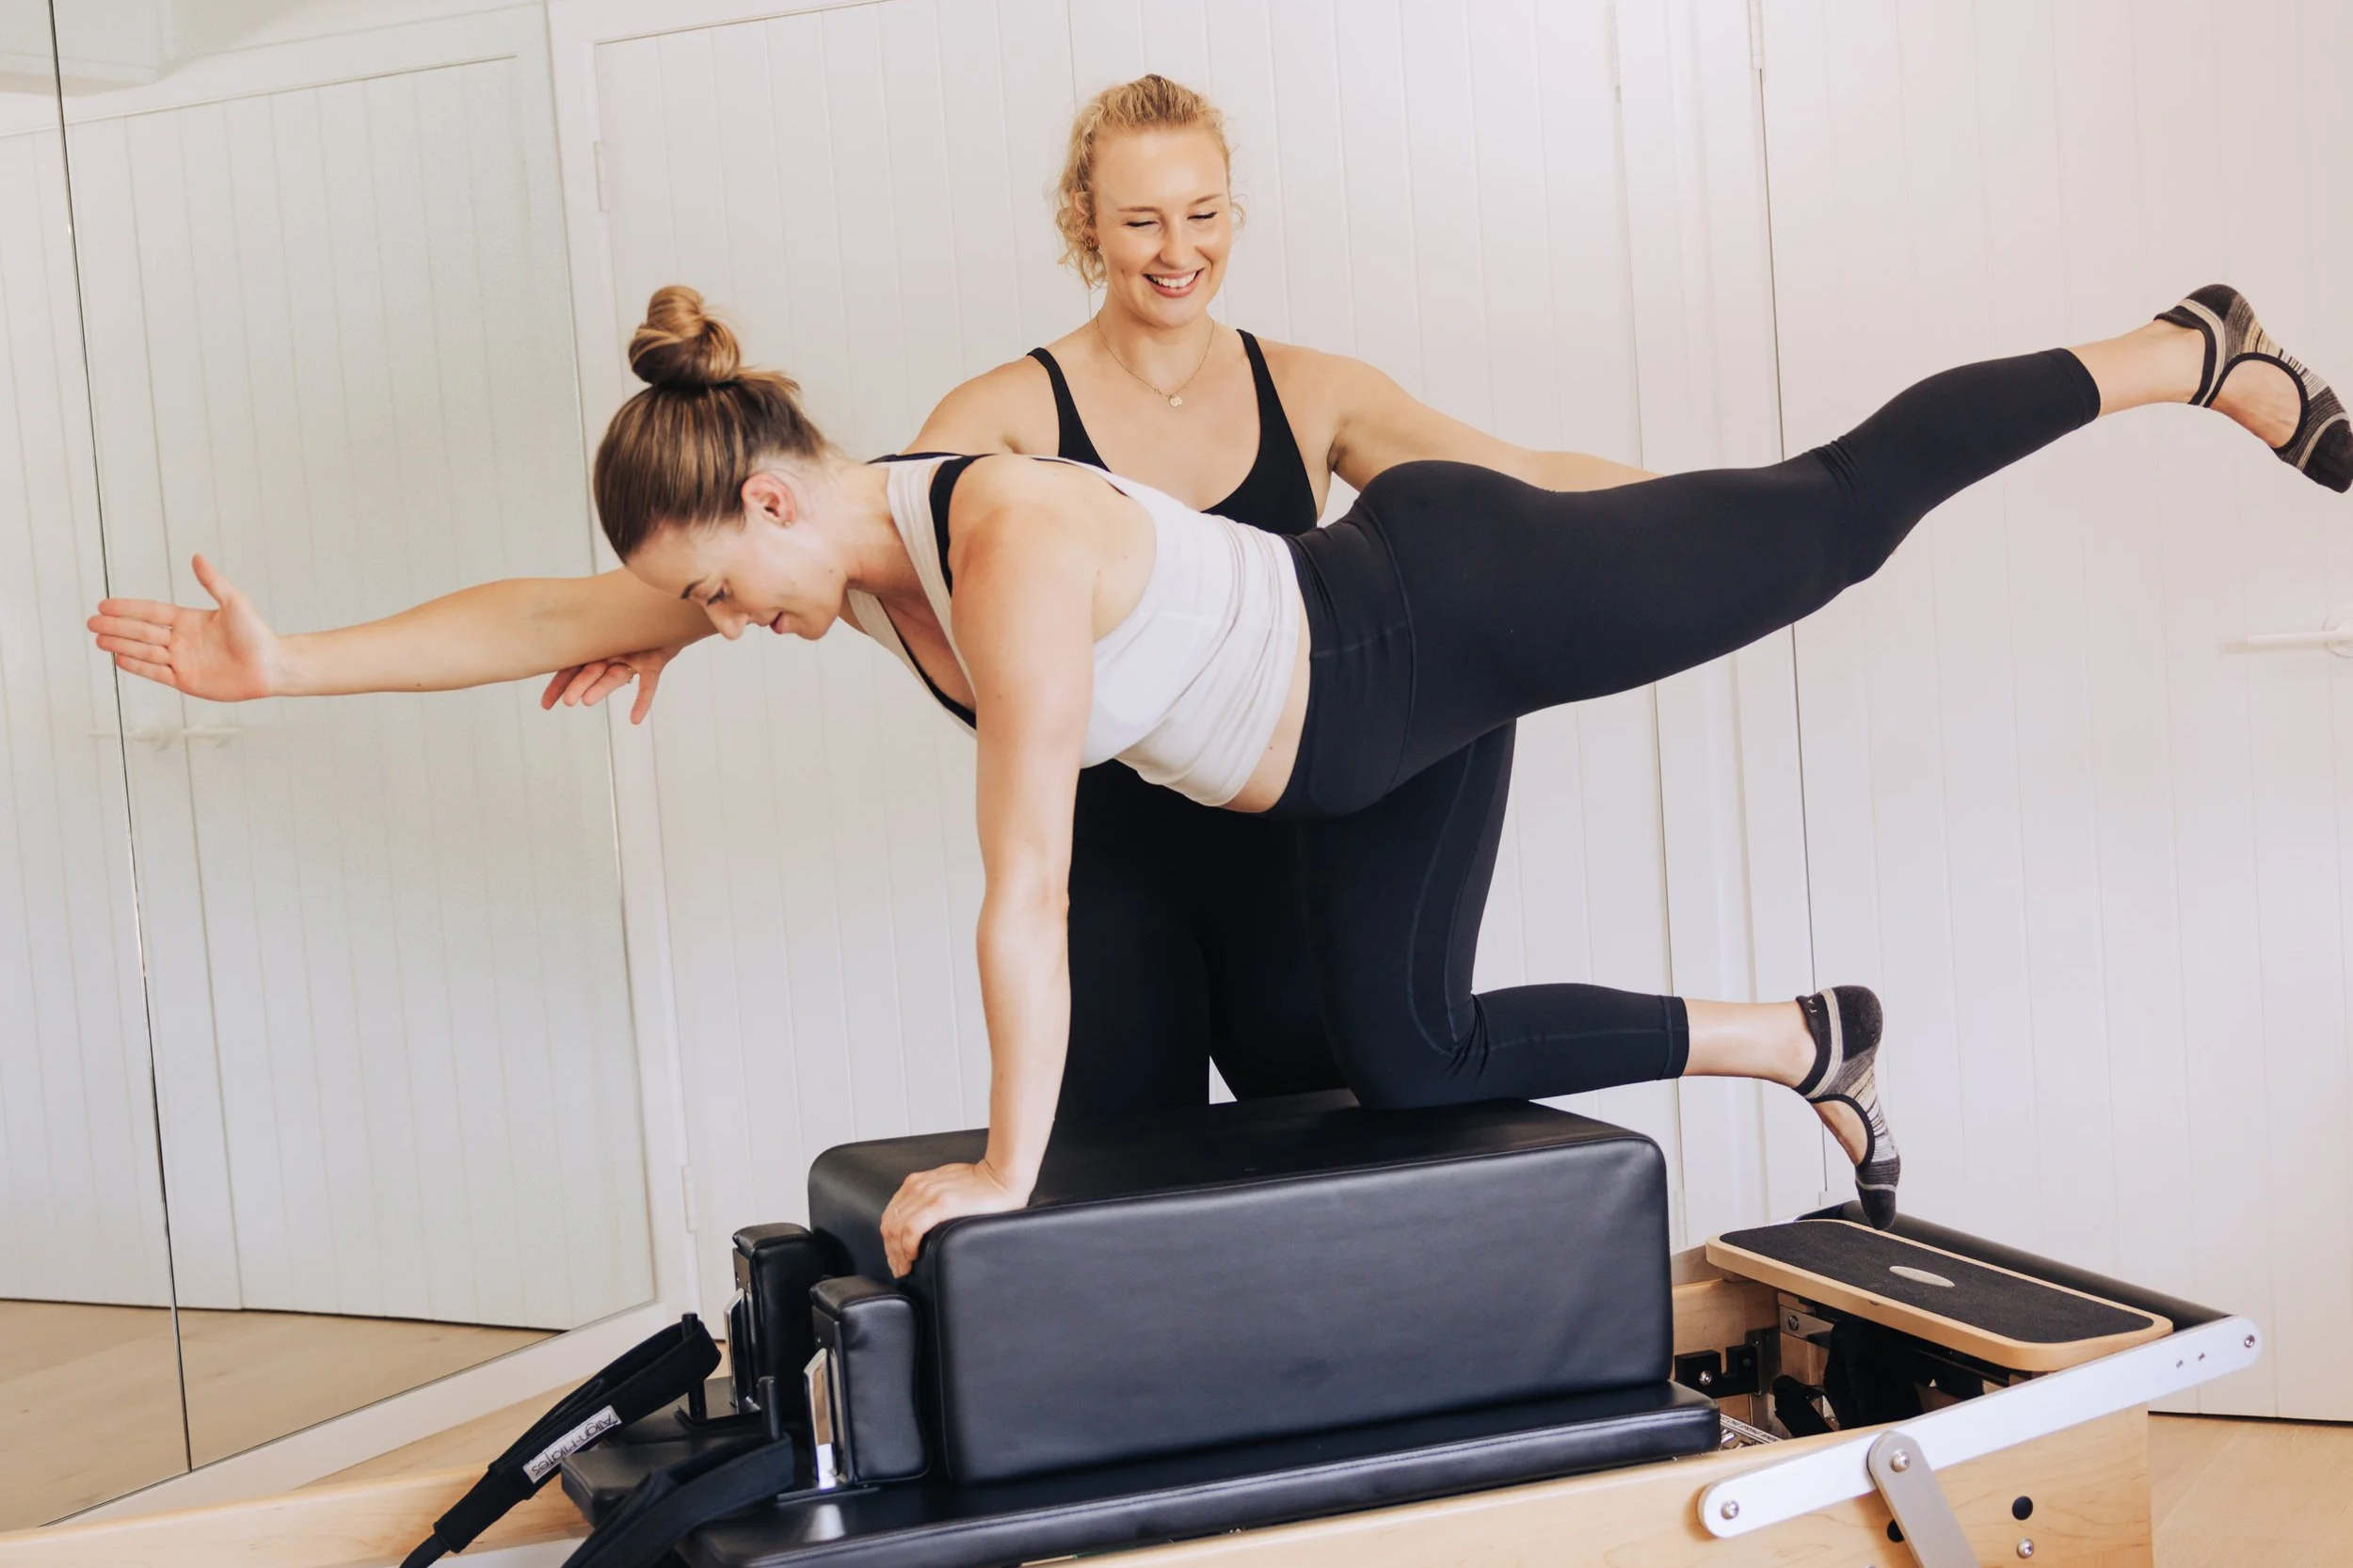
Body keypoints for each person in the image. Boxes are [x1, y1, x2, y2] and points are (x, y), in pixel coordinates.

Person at [98, 273, 2343, 1272]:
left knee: (1828, 510)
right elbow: (540, 611)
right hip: (1345, 767)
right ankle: (1799, 1039)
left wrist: (1001, 1160)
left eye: (719, 594)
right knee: (1394, 1048)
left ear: (778, 504)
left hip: (1432, 626)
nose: (717, 632)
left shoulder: (1012, 537)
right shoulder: (814, 545)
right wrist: (285, 671)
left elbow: (1023, 884)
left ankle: (2187, 350)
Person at [536, 74, 1653, 1124]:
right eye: (1141, 222)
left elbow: (1521, 481)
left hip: (1294, 854)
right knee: (1119, 1197)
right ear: (1084, 222)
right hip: (1116, 877)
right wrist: (685, 620)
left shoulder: (1312, 389)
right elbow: (859, 542)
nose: (1180, 252)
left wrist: (1728, 507)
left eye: (1204, 213)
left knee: (1341, 1169)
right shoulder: (1006, 411)